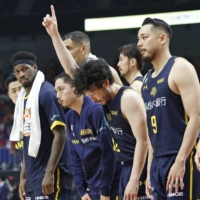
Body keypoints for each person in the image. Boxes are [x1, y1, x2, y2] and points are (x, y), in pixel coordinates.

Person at [42, 6, 149, 200]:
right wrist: (54, 35)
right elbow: (71, 69)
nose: (92, 99)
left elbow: (144, 141)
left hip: (137, 167)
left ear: (105, 83)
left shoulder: (125, 94)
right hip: (124, 166)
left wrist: (135, 179)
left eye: (93, 94)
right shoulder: (96, 87)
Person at [137, 17, 200, 199]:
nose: (139, 43)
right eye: (138, 39)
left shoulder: (180, 68)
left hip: (180, 156)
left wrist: (180, 161)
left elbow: (196, 118)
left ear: (162, 38)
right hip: (157, 163)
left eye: (144, 37)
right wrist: (150, 171)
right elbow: (151, 132)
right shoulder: (147, 79)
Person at [9, 51, 73, 200]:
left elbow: (60, 134)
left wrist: (49, 173)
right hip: (33, 178)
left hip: (52, 175)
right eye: (17, 71)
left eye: (25, 69)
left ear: (35, 68)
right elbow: (26, 143)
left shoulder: (46, 92)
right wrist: (23, 177)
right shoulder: (23, 100)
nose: (21, 74)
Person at [55, 72, 121, 200]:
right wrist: (82, 190)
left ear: (76, 87)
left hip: (112, 187)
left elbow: (109, 154)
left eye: (61, 89)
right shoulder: (69, 117)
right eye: (56, 91)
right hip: (91, 190)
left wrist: (105, 191)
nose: (58, 95)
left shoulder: (96, 110)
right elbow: (75, 157)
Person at [43, 6, 122, 86]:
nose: (65, 53)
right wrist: (54, 34)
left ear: (83, 49)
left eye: (68, 49)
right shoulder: (79, 72)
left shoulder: (105, 70)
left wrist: (55, 34)